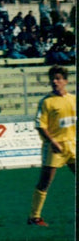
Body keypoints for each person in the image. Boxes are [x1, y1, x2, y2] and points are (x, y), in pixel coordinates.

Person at [27, 65, 76, 227]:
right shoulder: (46, 102)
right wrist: (52, 142)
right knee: (45, 181)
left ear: (66, 81)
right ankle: (34, 217)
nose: (55, 82)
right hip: (54, 147)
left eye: (58, 78)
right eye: (53, 79)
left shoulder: (73, 99)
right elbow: (40, 125)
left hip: (73, 146)